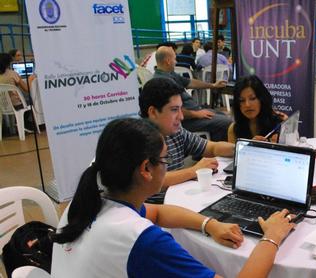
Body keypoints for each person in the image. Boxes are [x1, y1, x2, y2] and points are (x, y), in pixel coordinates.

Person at [51, 118, 296, 277]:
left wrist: (209, 224)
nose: (168, 167)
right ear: (146, 169)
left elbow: (157, 212)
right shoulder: (142, 240)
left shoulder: (87, 203)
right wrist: (272, 237)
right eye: (166, 160)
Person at [139, 77, 234, 186]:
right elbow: (153, 180)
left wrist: (239, 150)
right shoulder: (138, 139)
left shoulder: (175, 131)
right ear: (153, 112)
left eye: (180, 109)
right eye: (174, 110)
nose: (181, 116)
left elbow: (211, 147)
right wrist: (195, 170)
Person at [153, 46, 232, 142]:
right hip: (186, 121)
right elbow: (173, 111)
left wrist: (213, 85)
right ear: (168, 61)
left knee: (221, 115)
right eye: (174, 59)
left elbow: (190, 82)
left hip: (194, 114)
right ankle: (209, 151)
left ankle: (206, 150)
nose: (176, 62)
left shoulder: (170, 74)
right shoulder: (162, 83)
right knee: (228, 122)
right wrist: (197, 114)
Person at [227, 75, 287, 143]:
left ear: (262, 99)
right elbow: (233, 153)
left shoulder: (280, 122)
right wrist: (250, 147)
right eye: (242, 100)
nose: (247, 105)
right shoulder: (233, 129)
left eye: (252, 98)